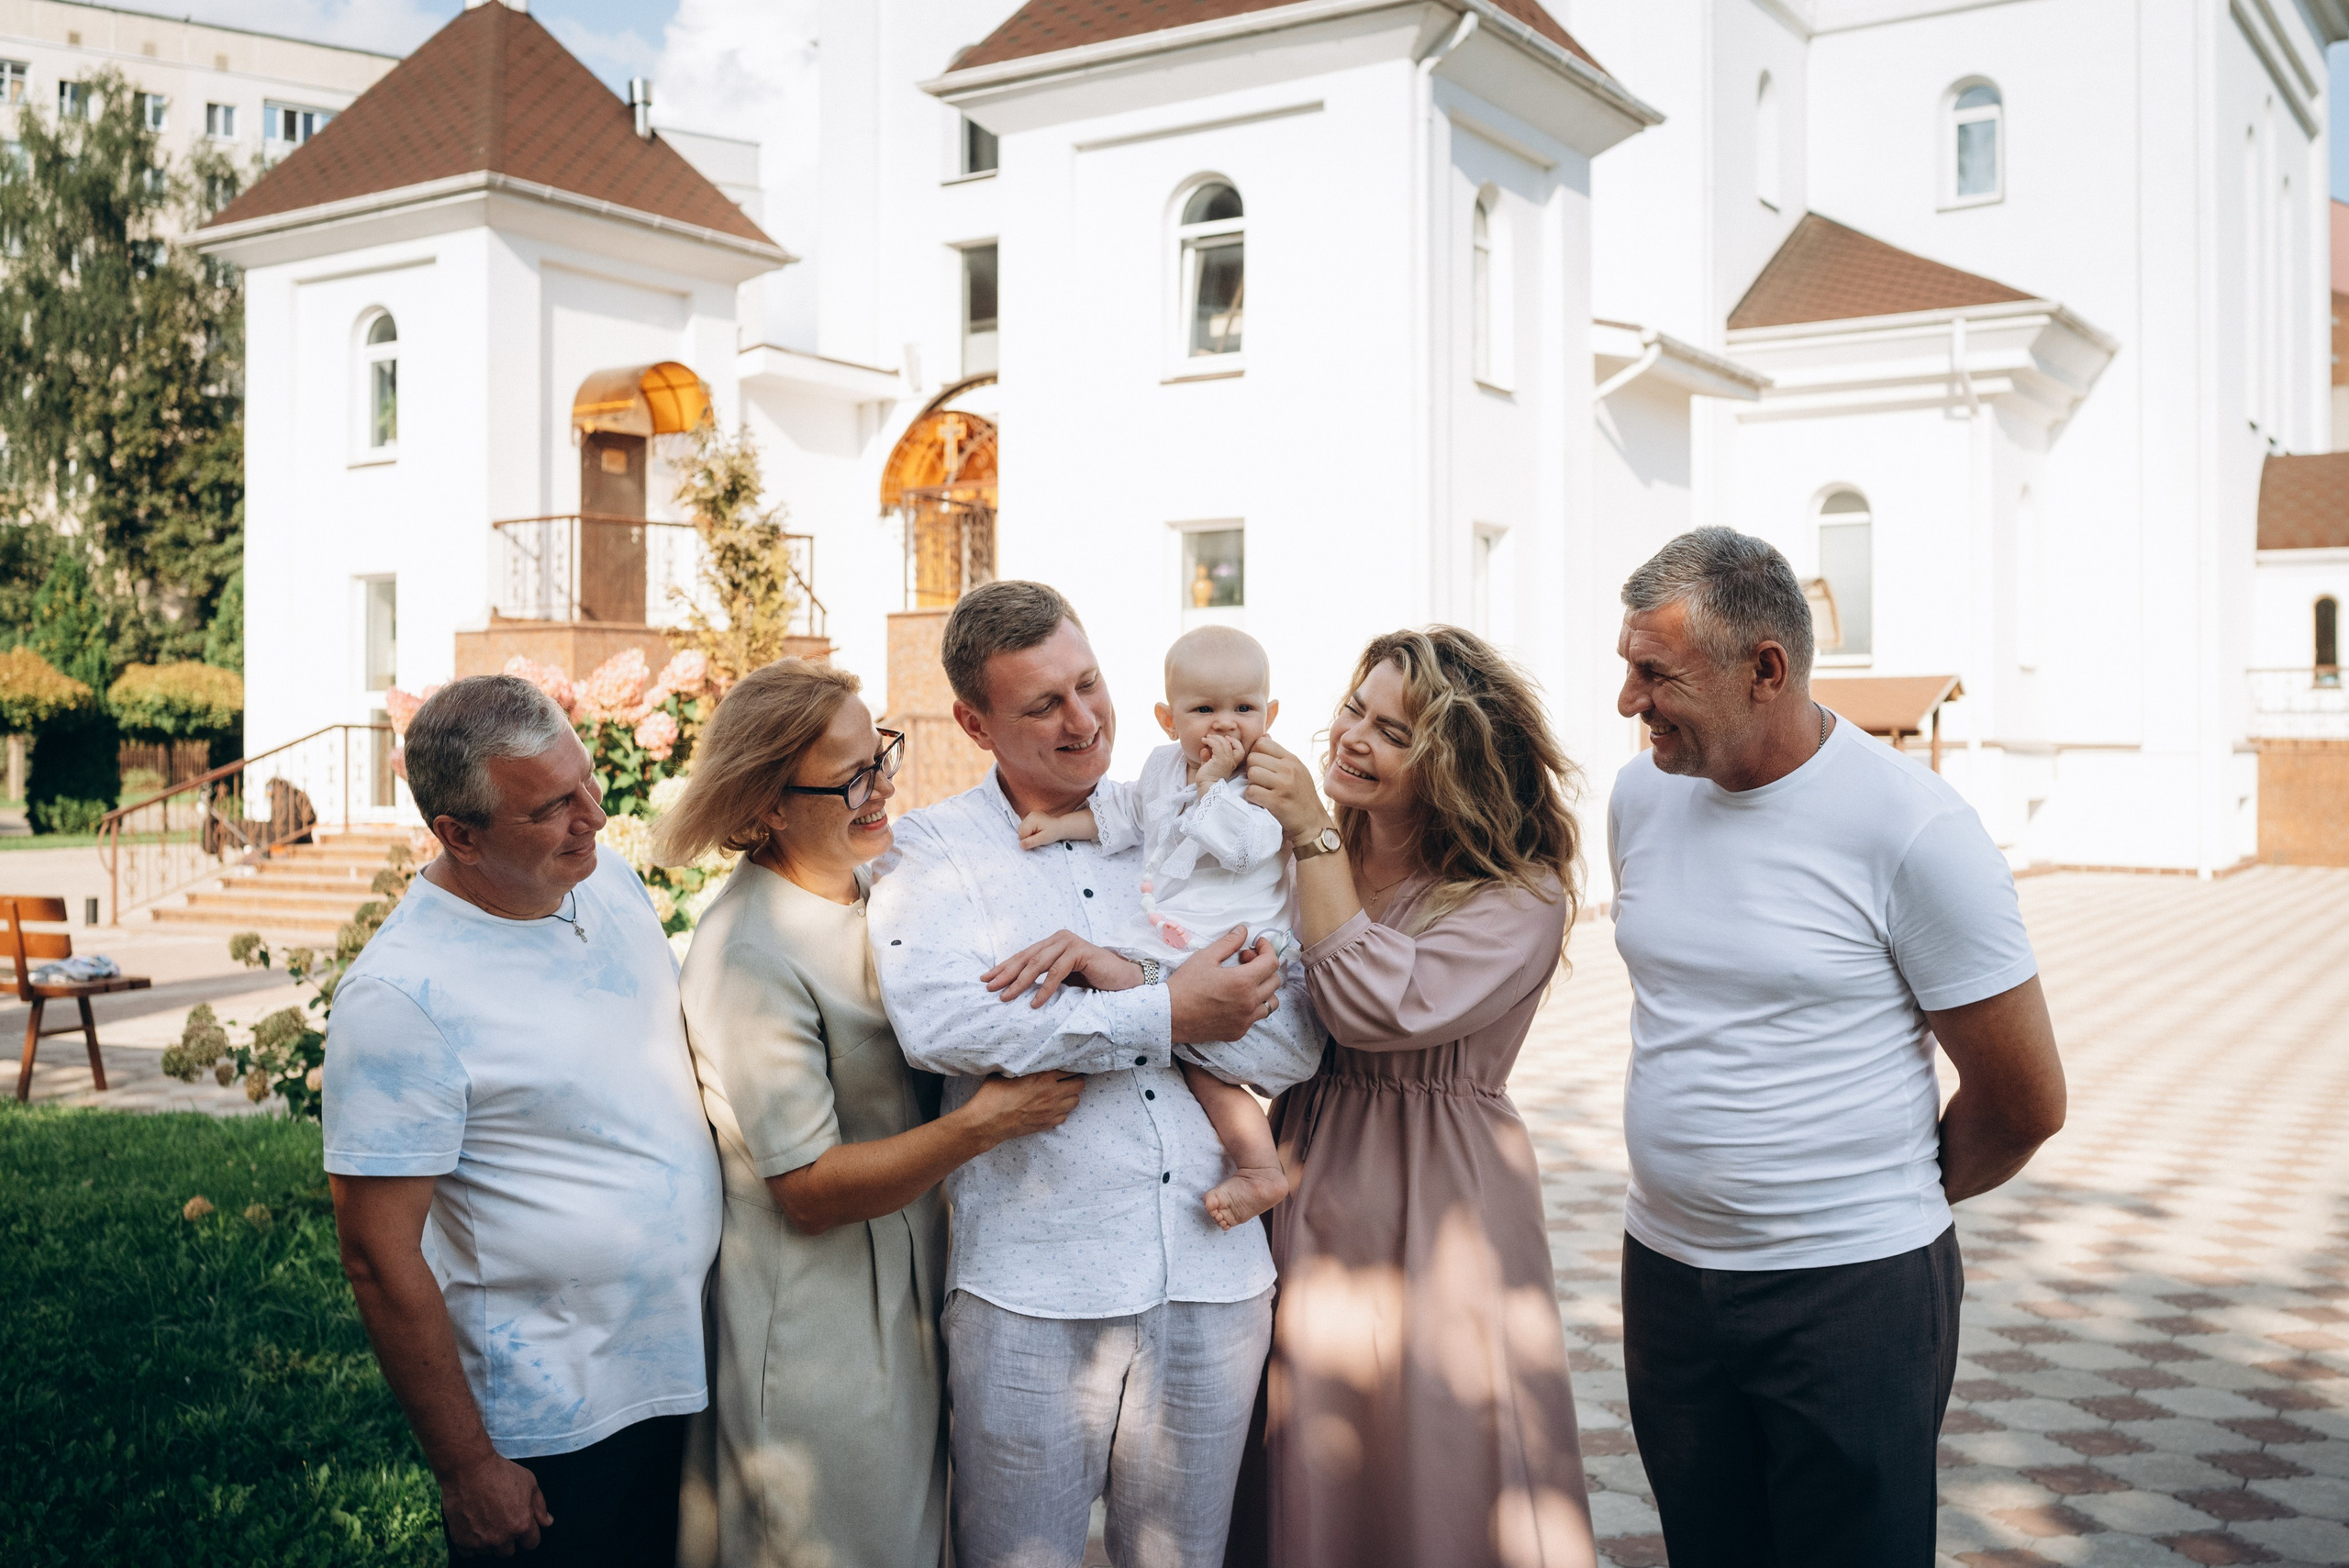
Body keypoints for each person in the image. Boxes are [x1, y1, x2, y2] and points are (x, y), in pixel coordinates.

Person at [1608, 528, 2066, 1568]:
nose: (1629, 702)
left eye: (1654, 673)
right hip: (1668, 1273)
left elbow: (2025, 1097)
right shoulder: (1641, 795)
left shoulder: (1910, 828)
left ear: (1764, 668)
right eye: (1626, 668)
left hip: (1848, 1290)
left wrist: (1867, 1197)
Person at [867, 581, 1322, 1568]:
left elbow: (1287, 1046)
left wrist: (1138, 992)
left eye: (1089, 684)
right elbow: (943, 1022)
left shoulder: (1188, 821)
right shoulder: (934, 849)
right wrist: (1172, 1010)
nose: (1083, 722)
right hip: (1034, 1286)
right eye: (1043, 705)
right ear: (971, 721)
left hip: (1214, 1271)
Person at [657, 659, 1085, 1568]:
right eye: (851, 775)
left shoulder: (879, 887)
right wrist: (988, 1122)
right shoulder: (751, 951)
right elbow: (805, 1188)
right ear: (768, 804)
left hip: (910, 1286)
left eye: (879, 750)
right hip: (819, 1326)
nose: (882, 782)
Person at [323, 674, 721, 1565]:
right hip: (552, 1424)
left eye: (585, 781)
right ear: (457, 834)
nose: (592, 814)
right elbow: (378, 1256)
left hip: (679, 1373)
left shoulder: (603, 877)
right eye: (550, 807)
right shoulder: (400, 994)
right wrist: (467, 1465)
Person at [1234, 627, 1598, 1568]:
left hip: (1443, 1197)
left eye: (1393, 730)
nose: (1353, 736)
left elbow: (1368, 1006)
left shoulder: (1521, 891)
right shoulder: (1313, 845)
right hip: (1304, 1165)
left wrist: (1310, 834)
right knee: (1306, 1426)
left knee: (1436, 1440)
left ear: (1454, 759)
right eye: (1355, 707)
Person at [1015, 624, 1293, 1230]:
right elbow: (1126, 812)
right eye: (1204, 709)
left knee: (1177, 1030)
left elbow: (1246, 848)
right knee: (1196, 1063)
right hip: (1174, 940)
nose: (1225, 725)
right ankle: (1260, 1166)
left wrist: (1211, 786)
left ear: (1269, 714)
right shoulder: (1163, 767)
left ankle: (1260, 1166)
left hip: (1237, 945)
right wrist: (1062, 825)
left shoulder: (1266, 781)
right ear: (1169, 719)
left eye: (1244, 708)